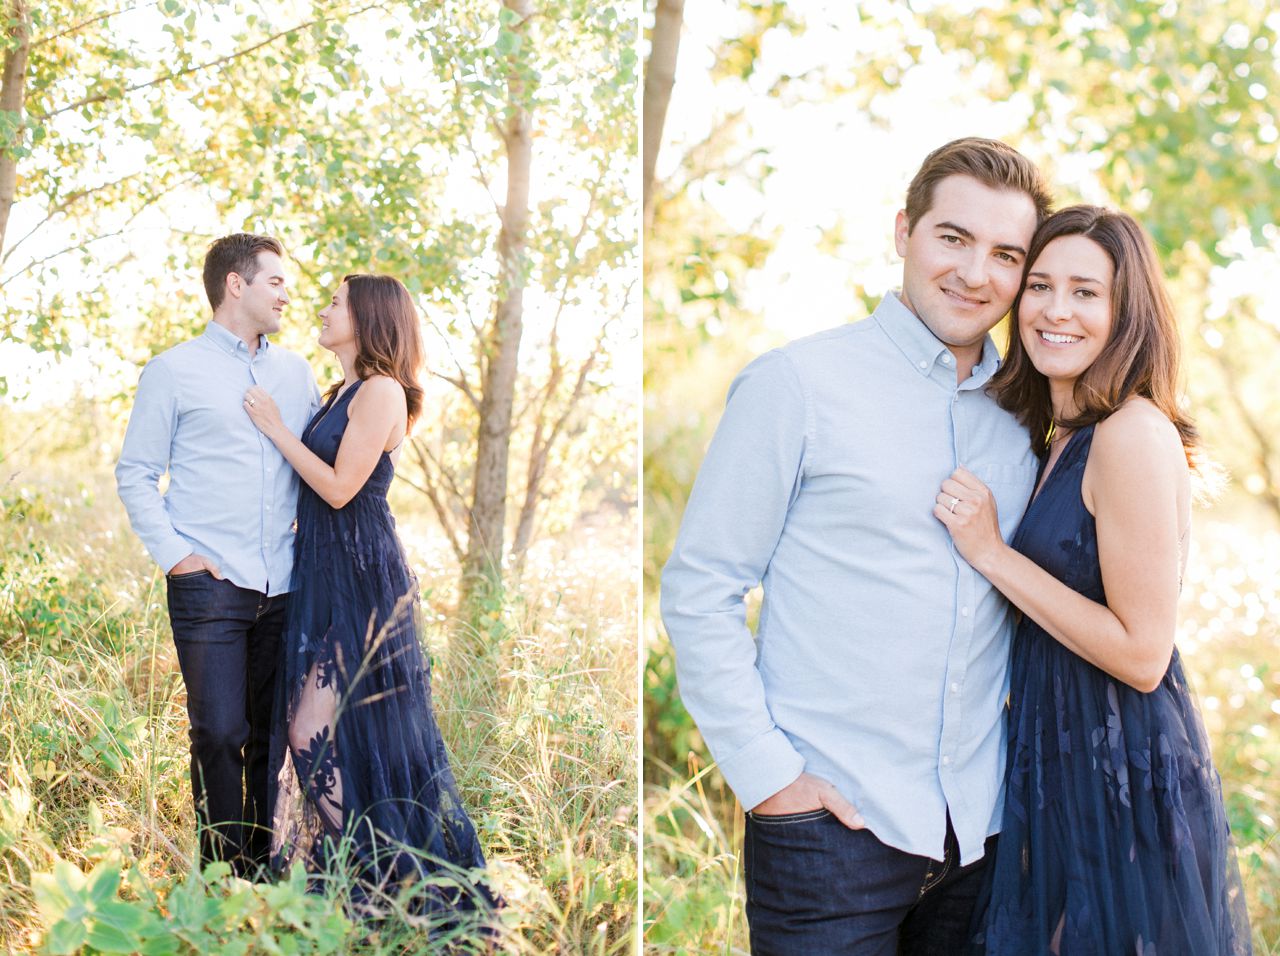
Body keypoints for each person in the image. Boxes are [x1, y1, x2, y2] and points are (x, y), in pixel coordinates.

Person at [661, 137, 1052, 952]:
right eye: (953, 237)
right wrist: (772, 781)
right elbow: (701, 588)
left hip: (981, 833)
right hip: (828, 832)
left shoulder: (1027, 414)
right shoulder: (797, 384)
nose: (976, 274)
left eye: (1005, 254)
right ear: (904, 230)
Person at [934, 206, 1252, 954]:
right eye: (1040, 286)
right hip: (1057, 757)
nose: (1055, 310)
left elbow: (1144, 654)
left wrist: (992, 553)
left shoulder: (1131, 434)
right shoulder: (1062, 435)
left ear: (1126, 311)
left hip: (1116, 772)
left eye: (1085, 292)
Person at [241, 273, 495, 922]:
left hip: (360, 578)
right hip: (322, 571)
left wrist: (274, 427)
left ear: (369, 317)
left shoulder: (382, 391)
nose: (322, 310)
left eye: (335, 302)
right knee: (330, 732)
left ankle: (379, 872)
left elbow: (336, 488)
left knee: (310, 728)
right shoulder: (343, 390)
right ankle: (372, 878)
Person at [116, 233, 320, 876]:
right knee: (218, 733)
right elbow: (137, 472)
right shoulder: (174, 370)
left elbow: (317, 460)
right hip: (211, 582)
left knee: (268, 740)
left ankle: (261, 875)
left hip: (284, 582)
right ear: (237, 284)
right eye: (276, 282)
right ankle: (219, 875)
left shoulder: (295, 373)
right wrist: (177, 555)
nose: (288, 293)